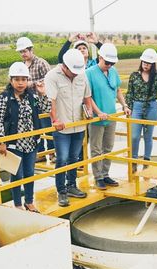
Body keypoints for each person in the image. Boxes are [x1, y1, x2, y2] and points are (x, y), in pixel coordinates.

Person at [0, 62, 51, 212]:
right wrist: (1, 140)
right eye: (17, 79)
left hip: (31, 141)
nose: (20, 83)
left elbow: (47, 108)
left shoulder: (32, 95)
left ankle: (29, 202)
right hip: (14, 143)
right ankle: (17, 204)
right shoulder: (5, 97)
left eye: (23, 79)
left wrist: (42, 94)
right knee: (17, 174)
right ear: (11, 80)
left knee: (29, 173)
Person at [45, 49, 94, 206]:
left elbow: (87, 97)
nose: (75, 74)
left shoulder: (82, 75)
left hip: (78, 125)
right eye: (72, 71)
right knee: (62, 159)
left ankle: (72, 185)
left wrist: (89, 111)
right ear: (64, 66)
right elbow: (51, 101)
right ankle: (61, 191)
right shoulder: (52, 76)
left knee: (74, 158)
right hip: (62, 127)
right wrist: (55, 120)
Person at [85, 43, 131, 190]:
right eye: (107, 62)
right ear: (100, 58)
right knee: (96, 149)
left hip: (111, 116)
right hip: (97, 118)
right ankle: (98, 177)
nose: (109, 65)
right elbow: (88, 97)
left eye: (112, 63)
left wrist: (124, 105)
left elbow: (117, 90)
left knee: (108, 147)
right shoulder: (89, 73)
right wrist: (98, 112)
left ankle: (105, 174)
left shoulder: (113, 71)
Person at [16, 36, 53, 153]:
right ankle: (40, 153)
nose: (23, 54)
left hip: (42, 101)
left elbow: (50, 79)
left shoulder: (41, 63)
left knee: (47, 127)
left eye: (25, 51)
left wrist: (32, 83)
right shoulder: (22, 66)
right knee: (35, 128)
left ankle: (52, 152)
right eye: (21, 52)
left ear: (31, 50)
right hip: (29, 102)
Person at [126, 48, 157, 170]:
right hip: (137, 106)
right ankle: (134, 161)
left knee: (148, 136)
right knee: (135, 136)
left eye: (149, 63)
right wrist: (128, 106)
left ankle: (147, 161)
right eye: (144, 62)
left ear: (153, 64)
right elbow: (129, 93)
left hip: (151, 106)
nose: (146, 65)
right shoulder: (134, 76)